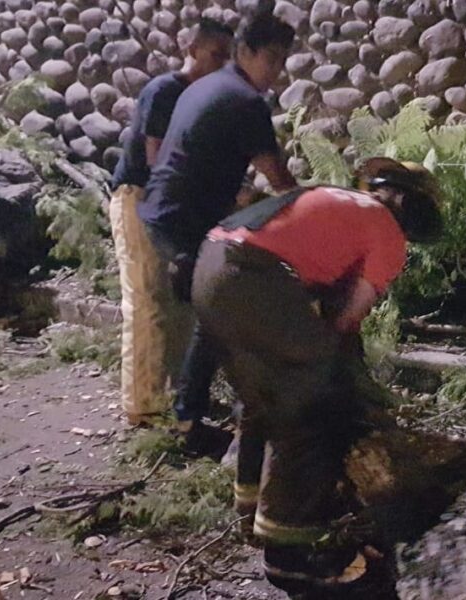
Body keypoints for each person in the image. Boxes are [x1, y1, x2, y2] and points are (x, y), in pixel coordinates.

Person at [191, 157, 442, 595]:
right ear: (408, 204)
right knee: (311, 410)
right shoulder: (387, 231)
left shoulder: (334, 199)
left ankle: (253, 508)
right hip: (253, 279)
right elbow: (347, 319)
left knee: (262, 397)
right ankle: (292, 554)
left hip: (210, 264)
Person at [139, 9, 297, 449]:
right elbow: (281, 181)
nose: (275, 72)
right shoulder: (246, 102)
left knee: (212, 316)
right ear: (243, 51)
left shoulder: (209, 84)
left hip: (165, 212)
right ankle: (194, 423)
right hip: (184, 221)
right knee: (218, 315)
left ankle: (201, 412)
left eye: (282, 62)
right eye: (270, 59)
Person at [110, 18, 234, 426]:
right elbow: (156, 159)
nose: (222, 63)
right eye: (216, 54)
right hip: (141, 197)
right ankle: (143, 405)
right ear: (193, 48)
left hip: (173, 204)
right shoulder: (165, 91)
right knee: (147, 301)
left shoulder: (203, 98)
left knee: (178, 302)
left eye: (226, 57)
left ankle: (173, 396)